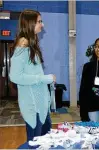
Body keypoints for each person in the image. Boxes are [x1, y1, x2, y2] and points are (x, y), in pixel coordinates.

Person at [9, 9, 56, 143]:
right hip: (33, 108)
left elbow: (32, 74)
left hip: (41, 105)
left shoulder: (31, 45)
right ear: (30, 23)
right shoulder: (22, 45)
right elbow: (15, 77)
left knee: (45, 142)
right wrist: (45, 78)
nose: (42, 24)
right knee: (36, 144)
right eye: (39, 21)